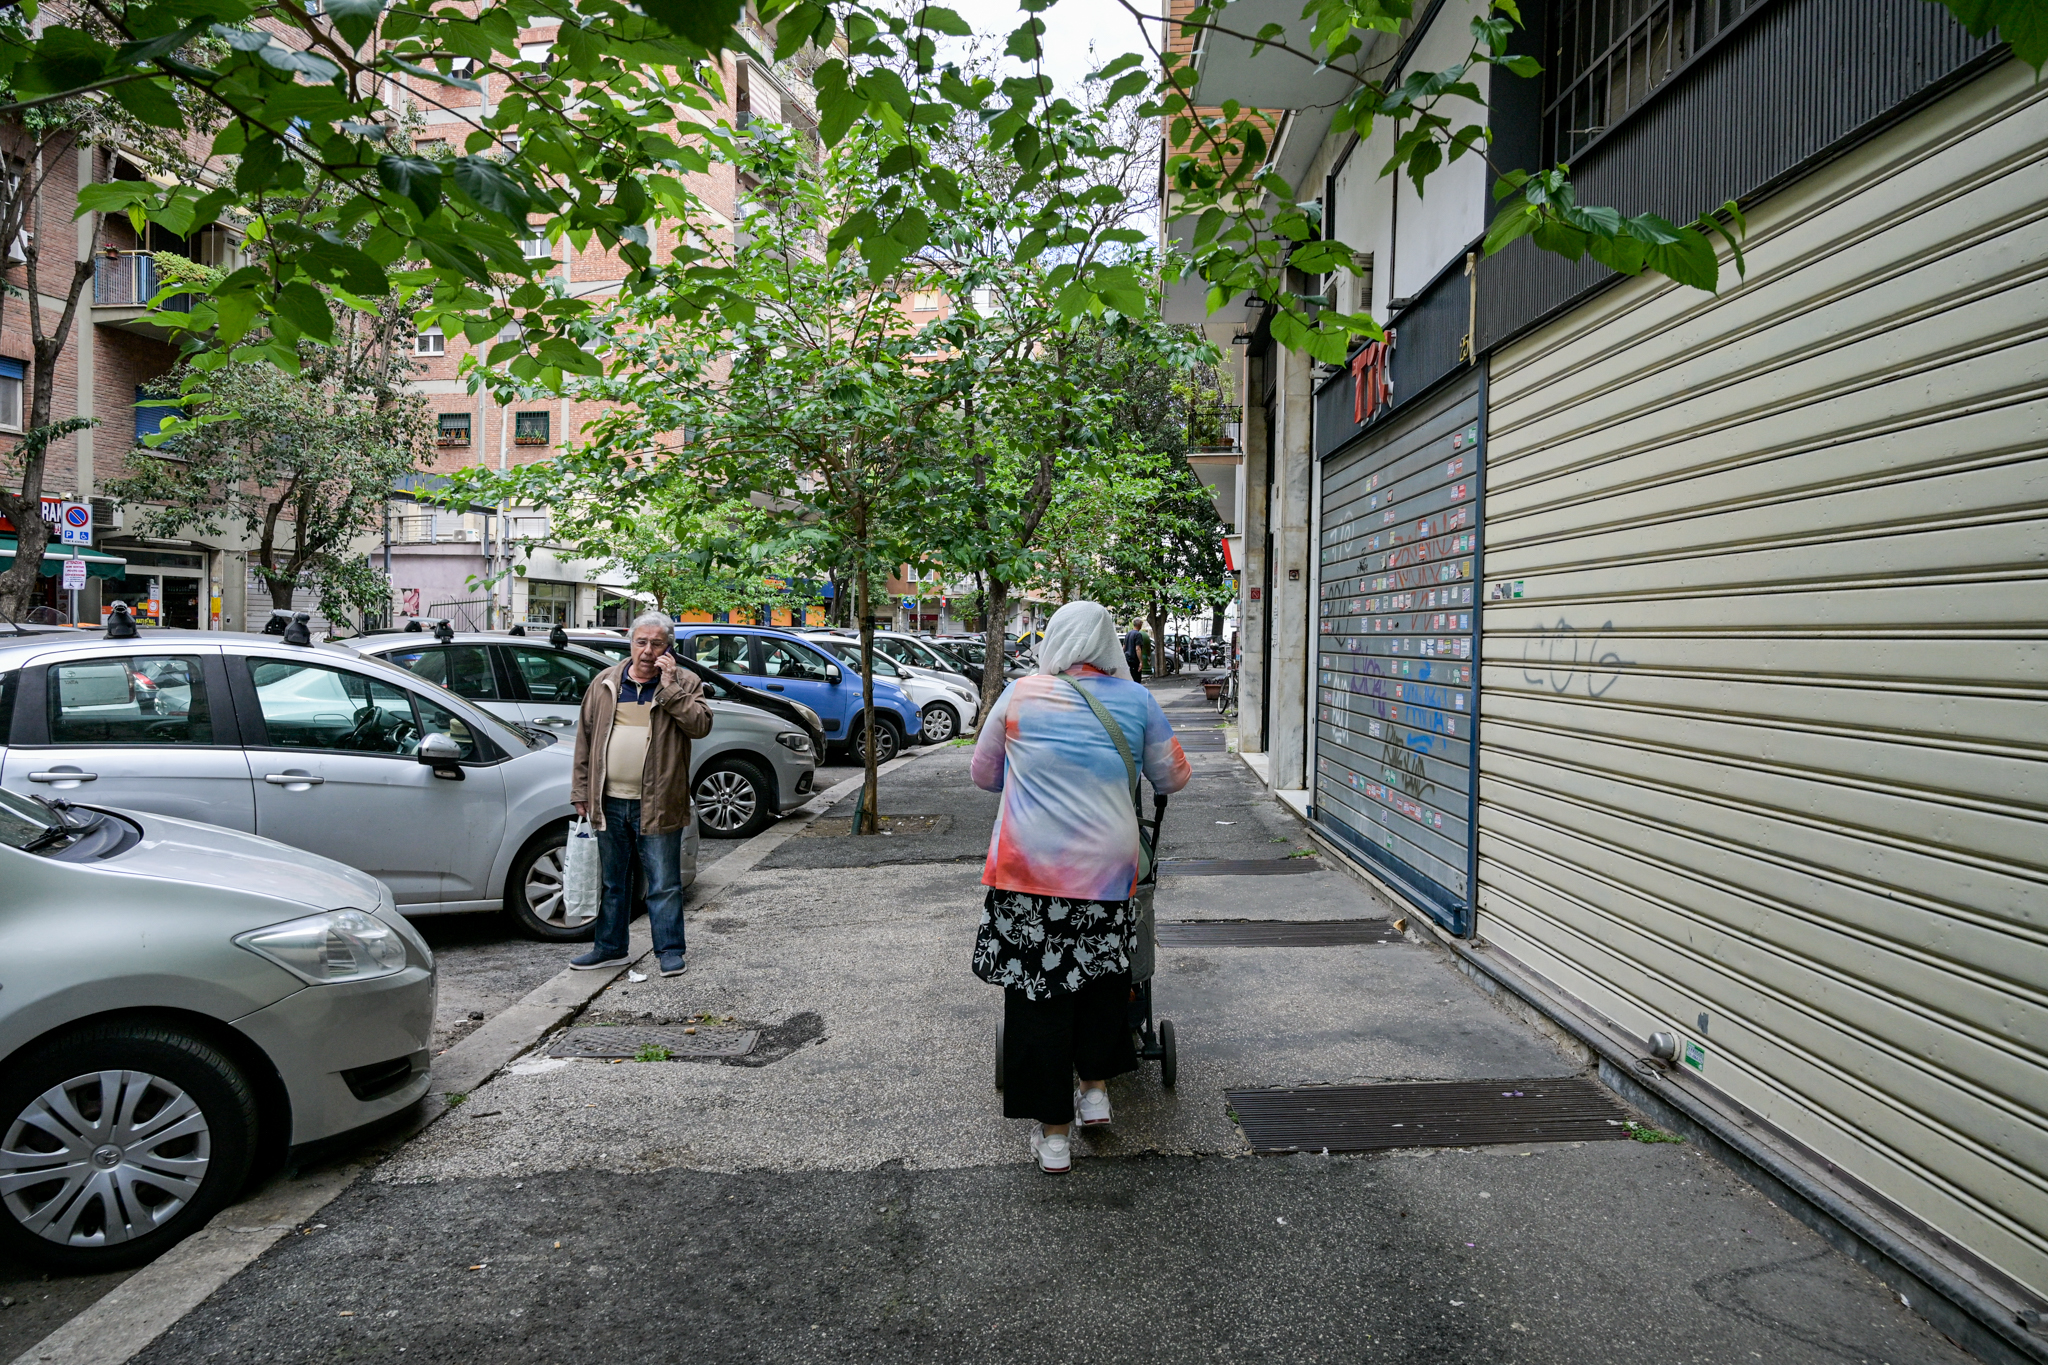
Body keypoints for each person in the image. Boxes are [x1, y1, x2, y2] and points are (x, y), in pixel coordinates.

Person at [970, 601, 1192, 1174]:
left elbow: (984, 775)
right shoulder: (1138, 700)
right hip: (1106, 878)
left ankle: (1054, 1139)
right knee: (1101, 985)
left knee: (1037, 1000)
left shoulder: (1019, 695)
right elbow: (1173, 777)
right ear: (1110, 643)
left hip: (1029, 880)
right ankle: (1094, 1092)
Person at [568, 612, 712, 977]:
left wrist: (669, 688)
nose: (647, 651)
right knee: (614, 882)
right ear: (630, 643)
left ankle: (669, 951)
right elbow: (585, 740)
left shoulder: (686, 682)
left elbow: (699, 726)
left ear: (669, 648)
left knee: (664, 883)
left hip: (659, 802)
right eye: (641, 642)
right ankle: (610, 948)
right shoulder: (605, 682)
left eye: (657, 644)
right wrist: (581, 790)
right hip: (610, 800)